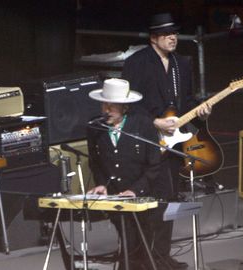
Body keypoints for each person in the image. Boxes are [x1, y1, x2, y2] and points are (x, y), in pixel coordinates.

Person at [120, 13, 212, 269]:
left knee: (169, 196)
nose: (173, 38)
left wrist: (201, 110)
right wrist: (154, 123)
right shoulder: (137, 63)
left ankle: (161, 255)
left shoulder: (181, 63)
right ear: (153, 37)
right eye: (167, 34)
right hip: (145, 140)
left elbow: (187, 100)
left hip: (172, 142)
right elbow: (128, 104)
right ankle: (138, 257)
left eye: (175, 33)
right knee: (144, 198)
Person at [86, 78, 161, 270]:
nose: (106, 110)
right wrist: (102, 184)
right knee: (127, 241)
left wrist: (135, 190)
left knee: (143, 245)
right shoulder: (95, 128)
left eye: (112, 106)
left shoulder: (143, 125)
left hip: (143, 195)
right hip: (115, 197)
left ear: (124, 107)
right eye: (104, 105)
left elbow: (154, 165)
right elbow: (95, 163)